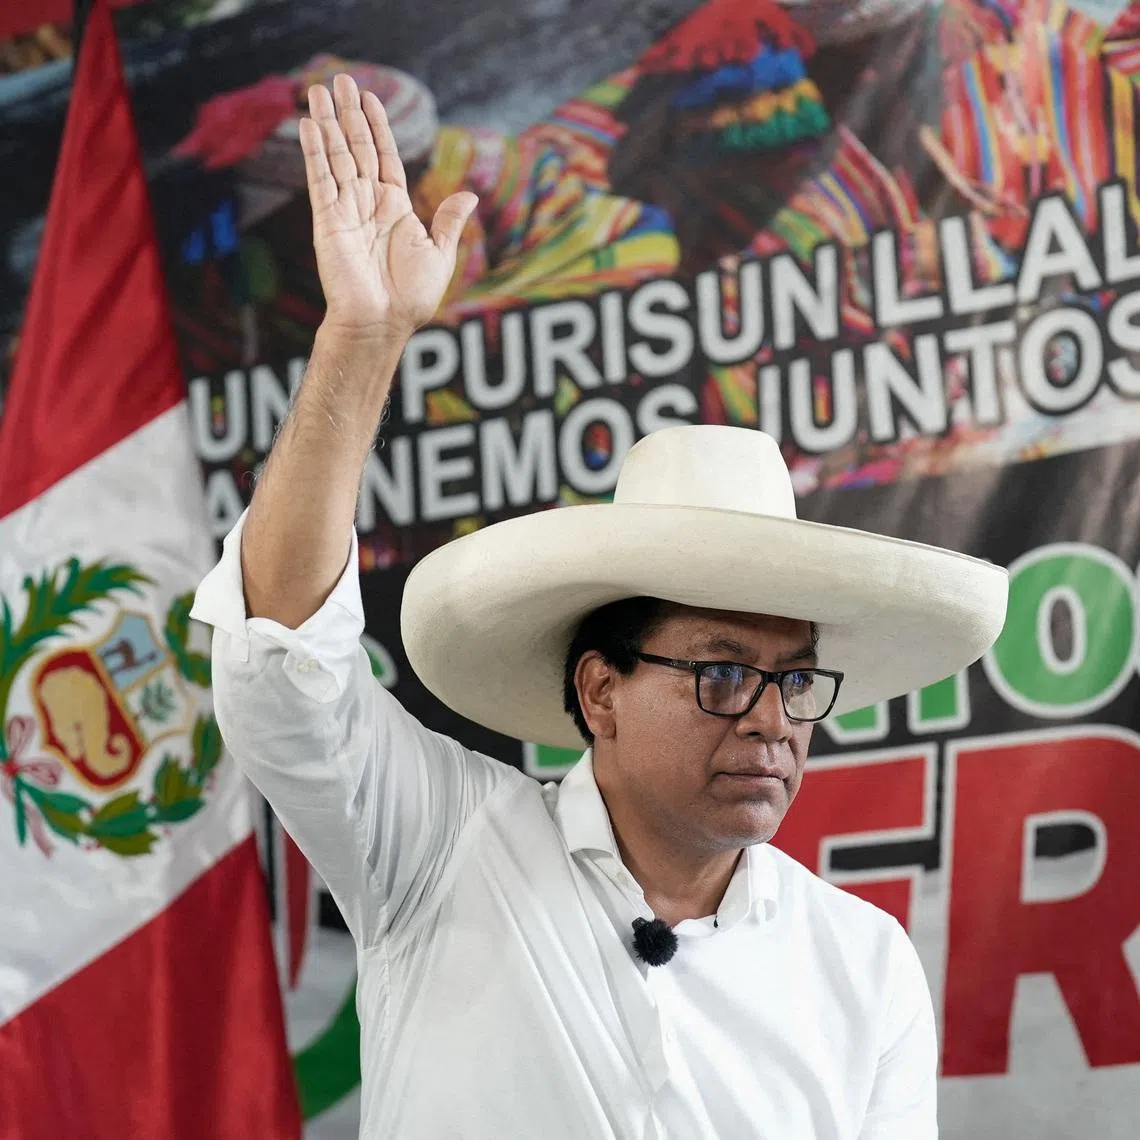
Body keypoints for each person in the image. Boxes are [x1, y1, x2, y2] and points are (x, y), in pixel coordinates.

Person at [190, 74, 1009, 1138]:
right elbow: (280, 657)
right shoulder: (441, 845)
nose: (772, 720)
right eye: (724, 673)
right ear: (601, 687)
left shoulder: (859, 963)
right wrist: (364, 335)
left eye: (797, 681)